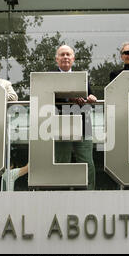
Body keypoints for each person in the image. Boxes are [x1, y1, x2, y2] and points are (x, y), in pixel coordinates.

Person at [55, 45, 97, 190]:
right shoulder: (50, 77)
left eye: (68, 54)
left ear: (73, 59)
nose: (65, 57)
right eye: (62, 54)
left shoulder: (83, 77)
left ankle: (89, 194)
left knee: (87, 162)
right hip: (60, 124)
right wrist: (69, 97)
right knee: (61, 162)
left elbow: (90, 96)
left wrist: (91, 98)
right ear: (57, 59)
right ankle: (61, 195)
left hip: (83, 124)